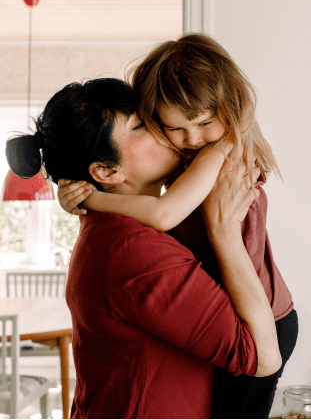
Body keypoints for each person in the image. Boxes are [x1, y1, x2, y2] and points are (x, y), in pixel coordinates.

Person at [5, 77, 282, 419]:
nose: (159, 125)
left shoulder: (113, 226)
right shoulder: (131, 250)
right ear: (106, 171)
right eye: (139, 125)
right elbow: (261, 357)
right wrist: (223, 230)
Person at [57, 34, 298, 419]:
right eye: (151, 126)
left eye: (203, 122)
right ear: (105, 170)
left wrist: (93, 199)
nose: (189, 138)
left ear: (228, 106)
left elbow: (164, 213)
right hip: (248, 317)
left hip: (265, 318)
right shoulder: (129, 240)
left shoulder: (223, 151)